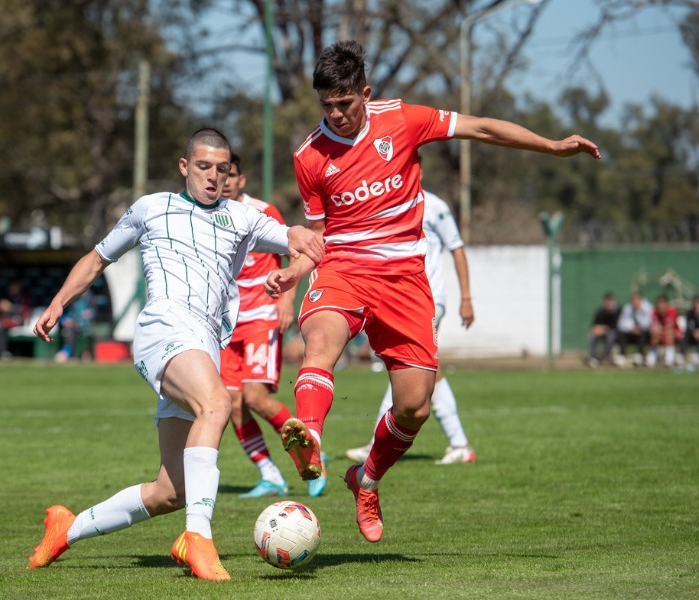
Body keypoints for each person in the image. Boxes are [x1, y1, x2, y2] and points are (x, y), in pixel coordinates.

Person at [264, 40, 600, 543]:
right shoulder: (310, 156)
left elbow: (482, 128)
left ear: (366, 93)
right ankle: (308, 436)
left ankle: (367, 479)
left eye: (345, 103)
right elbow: (316, 237)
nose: (335, 114)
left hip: (404, 280)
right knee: (321, 344)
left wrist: (551, 146)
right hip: (344, 270)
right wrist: (294, 274)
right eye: (326, 105)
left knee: (415, 405)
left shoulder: (403, 119)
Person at [25, 128, 323, 580]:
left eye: (222, 170)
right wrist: (58, 302)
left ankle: (67, 529)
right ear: (184, 166)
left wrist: (299, 251)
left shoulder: (242, 217)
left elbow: (299, 241)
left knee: (171, 491)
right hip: (162, 329)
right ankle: (197, 538)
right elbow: (96, 258)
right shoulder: (151, 208)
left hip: (203, 345)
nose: (213, 177)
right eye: (203, 167)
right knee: (219, 402)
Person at [218, 153, 328, 499]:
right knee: (230, 404)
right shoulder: (208, 216)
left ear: (241, 179)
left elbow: (297, 252)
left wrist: (286, 299)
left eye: (231, 174)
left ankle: (311, 452)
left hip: (261, 317)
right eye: (220, 174)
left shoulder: (263, 211)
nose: (225, 181)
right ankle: (270, 475)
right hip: (227, 323)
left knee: (255, 397)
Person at [344, 189, 476, 466]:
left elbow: (457, 248)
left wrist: (465, 298)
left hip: (428, 300)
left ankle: (456, 443)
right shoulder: (382, 197)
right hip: (399, 300)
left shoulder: (435, 205)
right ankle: (458, 443)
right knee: (414, 368)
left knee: (414, 367)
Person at [615, 292, 653, 367]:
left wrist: (639, 327)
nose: (635, 302)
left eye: (637, 299)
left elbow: (649, 323)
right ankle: (622, 356)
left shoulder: (648, 308)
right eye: (633, 299)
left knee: (643, 333)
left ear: (641, 300)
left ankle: (638, 356)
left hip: (644, 334)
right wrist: (631, 328)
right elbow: (621, 324)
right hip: (631, 333)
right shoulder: (628, 308)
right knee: (621, 333)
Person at [586, 292, 620, 367]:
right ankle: (593, 356)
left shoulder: (618, 311)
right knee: (591, 335)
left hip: (616, 335)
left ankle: (603, 356)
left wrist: (604, 329)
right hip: (602, 334)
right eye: (607, 301)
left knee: (612, 335)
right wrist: (596, 330)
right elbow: (594, 326)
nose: (608, 303)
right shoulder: (600, 312)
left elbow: (616, 326)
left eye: (610, 301)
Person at [648, 294, 681, 368]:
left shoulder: (672, 311)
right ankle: (652, 356)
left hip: (674, 334)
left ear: (666, 305)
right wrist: (656, 330)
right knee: (654, 333)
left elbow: (670, 326)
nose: (661, 308)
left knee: (669, 333)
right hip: (660, 334)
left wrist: (660, 330)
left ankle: (669, 359)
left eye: (663, 305)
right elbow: (653, 325)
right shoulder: (654, 312)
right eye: (659, 305)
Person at [680, 296, 699, 369]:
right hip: (691, 335)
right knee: (684, 339)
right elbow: (689, 326)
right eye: (696, 303)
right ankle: (681, 357)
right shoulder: (690, 313)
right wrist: (694, 331)